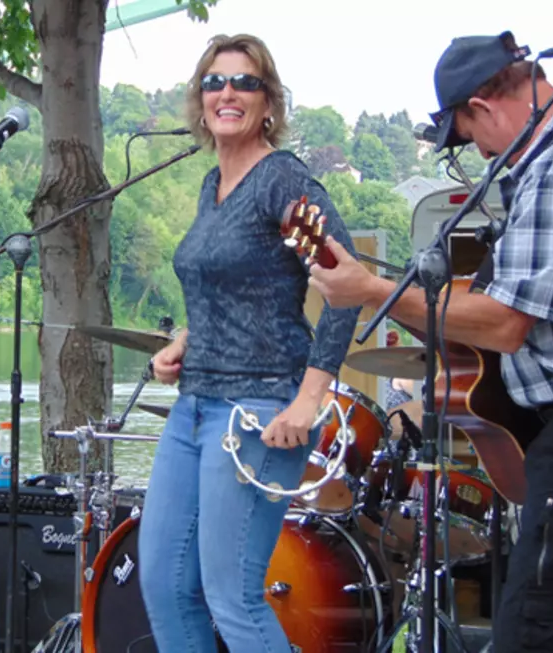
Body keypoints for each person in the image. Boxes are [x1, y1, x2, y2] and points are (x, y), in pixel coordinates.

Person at [308, 31, 553, 652]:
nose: (481, 153)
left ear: (483, 107)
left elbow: (505, 324)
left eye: (469, 138)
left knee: (540, 630)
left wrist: (367, 290)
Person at [138, 33, 361, 652]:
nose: (226, 93)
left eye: (244, 82)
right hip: (195, 406)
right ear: (200, 100)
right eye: (214, 82)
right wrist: (184, 340)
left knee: (232, 598)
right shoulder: (212, 186)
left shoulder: (280, 181)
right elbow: (235, 284)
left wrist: (308, 402)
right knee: (161, 584)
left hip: (260, 411)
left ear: (269, 103)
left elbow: (345, 287)